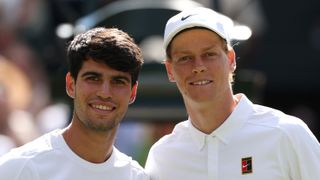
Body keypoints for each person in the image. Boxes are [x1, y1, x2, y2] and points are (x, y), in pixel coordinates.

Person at [145, 7, 320, 180]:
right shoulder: (163, 157)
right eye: (185, 58)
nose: (198, 66)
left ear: (230, 60)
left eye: (209, 54)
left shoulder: (287, 134)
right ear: (169, 70)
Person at [0, 27, 149, 180]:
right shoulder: (20, 169)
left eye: (118, 81)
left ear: (132, 92)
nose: (104, 92)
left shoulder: (137, 176)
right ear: (71, 85)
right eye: (93, 78)